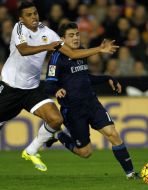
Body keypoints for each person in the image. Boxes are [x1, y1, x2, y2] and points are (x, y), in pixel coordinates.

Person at [0, 2, 118, 182]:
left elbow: (73, 54)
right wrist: (47, 47)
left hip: (32, 90)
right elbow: (23, 50)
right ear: (21, 18)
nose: (34, 17)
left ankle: (31, 150)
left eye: (35, 13)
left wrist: (99, 49)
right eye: (29, 15)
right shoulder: (18, 28)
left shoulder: (48, 33)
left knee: (56, 119)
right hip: (10, 90)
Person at [43, 22, 138, 179]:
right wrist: (56, 90)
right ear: (62, 39)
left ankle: (130, 174)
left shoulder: (82, 51)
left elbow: (85, 78)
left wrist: (107, 78)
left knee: (113, 133)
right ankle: (60, 136)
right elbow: (48, 85)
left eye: (77, 34)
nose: (75, 38)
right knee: (86, 152)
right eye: (71, 35)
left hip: (91, 103)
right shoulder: (56, 58)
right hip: (73, 110)